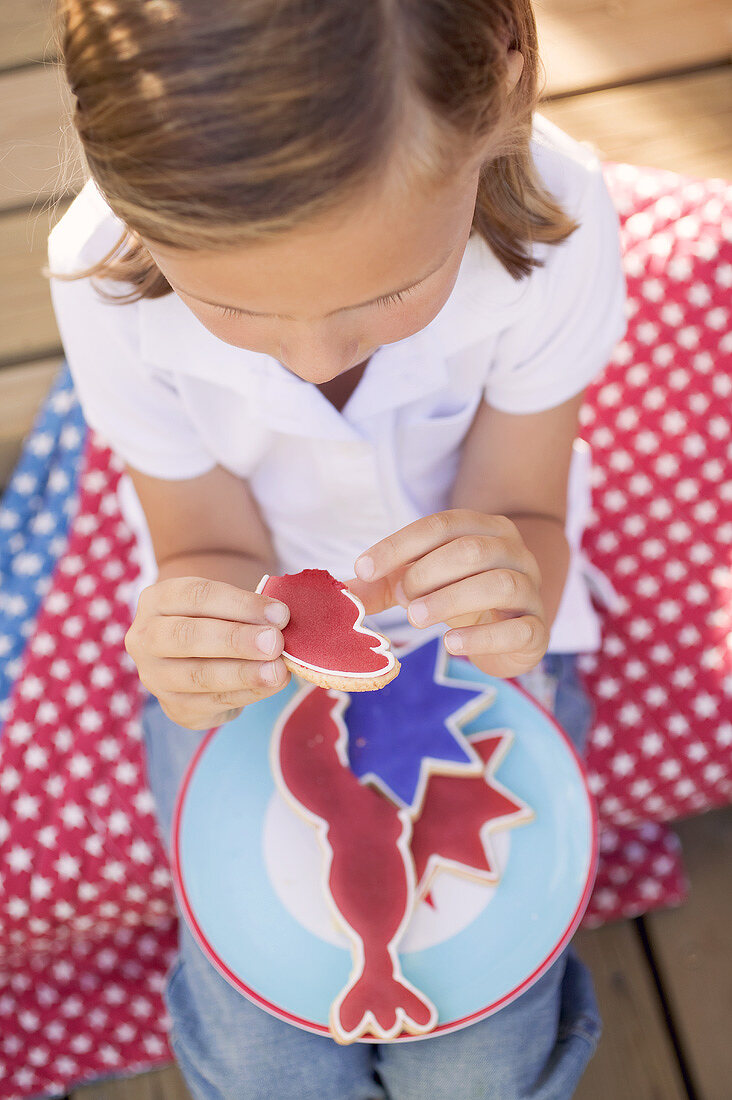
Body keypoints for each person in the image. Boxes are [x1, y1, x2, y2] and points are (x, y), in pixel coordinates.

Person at [46, 0, 625, 1096]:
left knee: (481, 1062)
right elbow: (205, 545)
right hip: (260, 656)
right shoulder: (100, 269)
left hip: (483, 640)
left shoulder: (562, 221)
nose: (311, 356)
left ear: (497, 98)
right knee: (269, 1059)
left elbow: (530, 521)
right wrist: (193, 640)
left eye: (390, 290)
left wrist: (515, 592)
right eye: (232, 305)